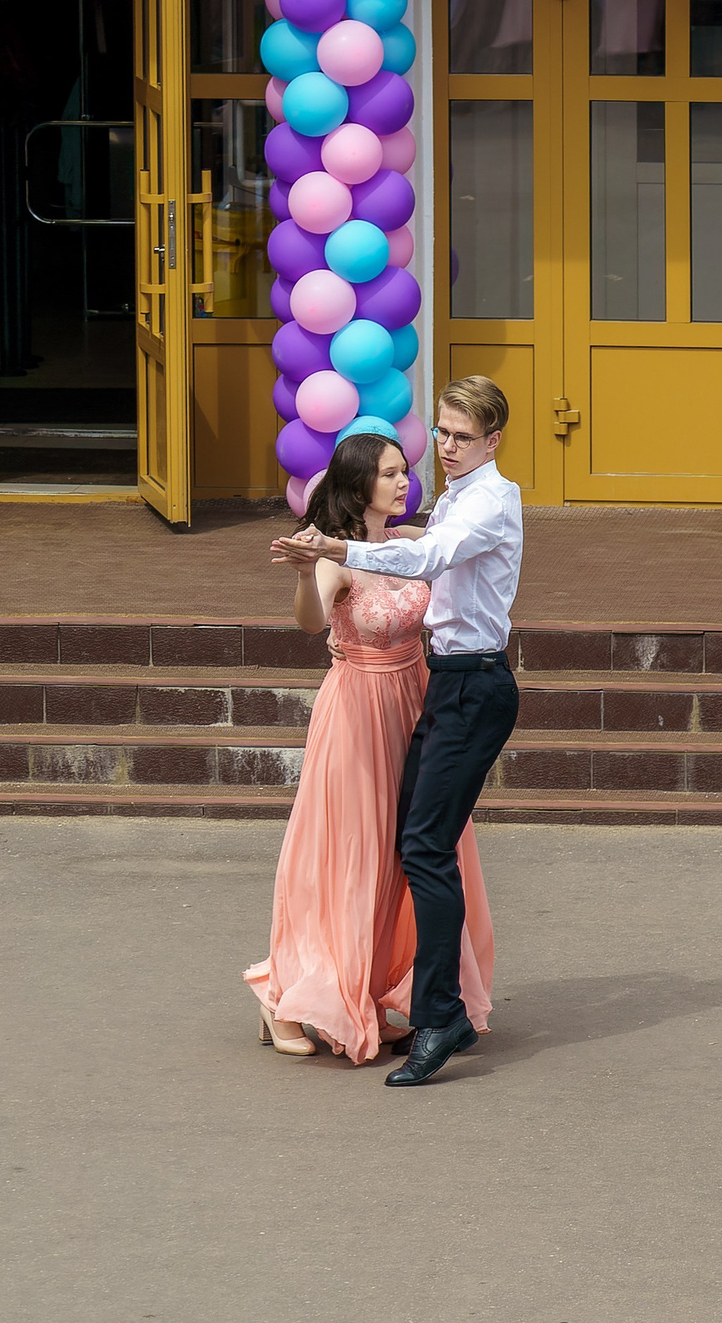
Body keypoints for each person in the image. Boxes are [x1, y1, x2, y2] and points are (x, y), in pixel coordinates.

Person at [273, 375, 524, 1087]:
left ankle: (438, 1010)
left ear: (493, 440)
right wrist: (335, 555)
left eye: (460, 437)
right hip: (435, 689)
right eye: (439, 432)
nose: (442, 448)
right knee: (411, 844)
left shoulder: (490, 501)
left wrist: (344, 549)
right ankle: (422, 997)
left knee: (422, 845)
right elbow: (414, 545)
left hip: (470, 686)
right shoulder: (457, 499)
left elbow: (427, 559)